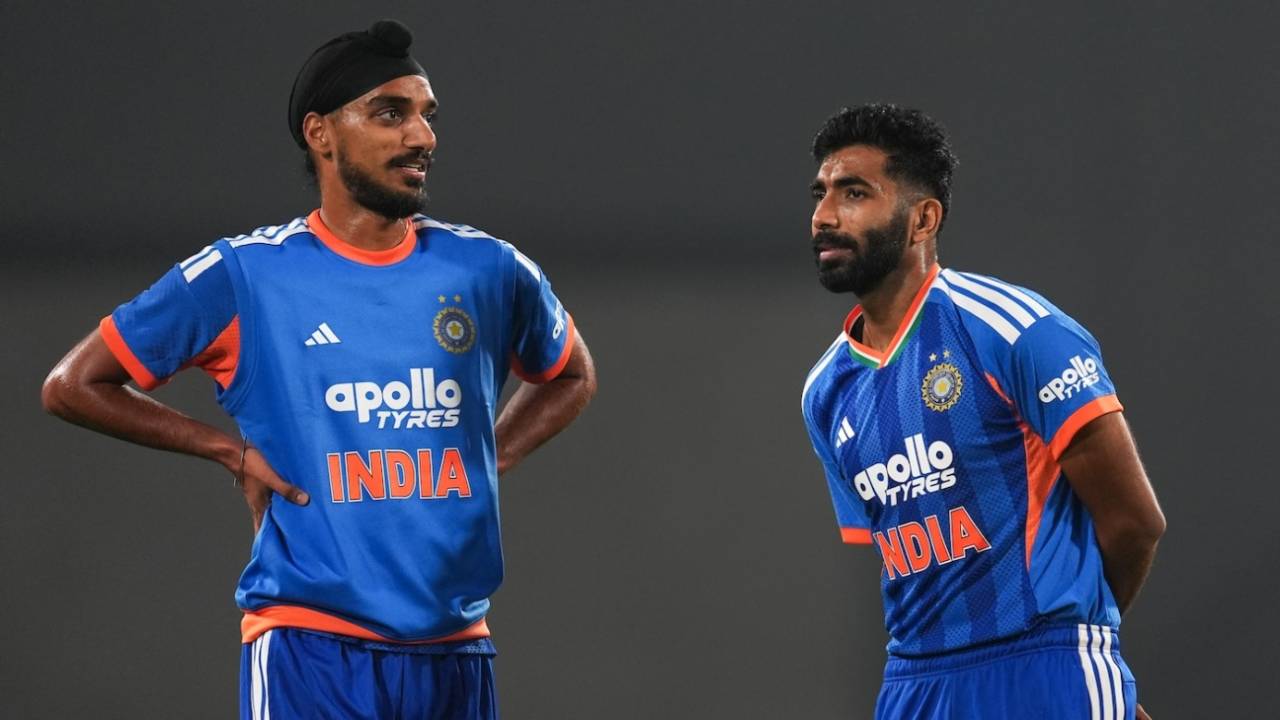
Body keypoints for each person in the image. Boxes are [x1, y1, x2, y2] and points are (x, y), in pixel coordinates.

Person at [41, 19, 596, 719]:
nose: (421, 137)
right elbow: (73, 386)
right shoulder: (246, 274)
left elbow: (572, 374)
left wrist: (491, 456)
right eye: (390, 113)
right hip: (312, 648)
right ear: (320, 133)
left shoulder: (487, 268)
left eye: (426, 116)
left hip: (458, 649)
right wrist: (227, 450)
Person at [800, 104, 1164, 719]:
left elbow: (1134, 521)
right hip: (914, 686)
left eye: (854, 193)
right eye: (821, 194)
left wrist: (1081, 645)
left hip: (1044, 667)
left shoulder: (1014, 330)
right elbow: (904, 563)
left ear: (922, 219)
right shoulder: (824, 390)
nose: (824, 216)